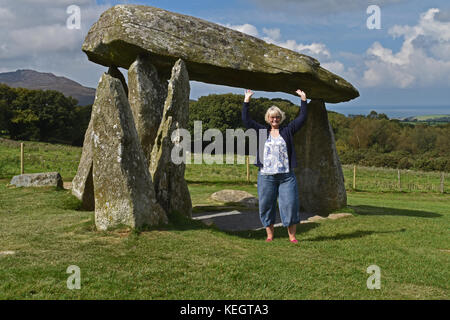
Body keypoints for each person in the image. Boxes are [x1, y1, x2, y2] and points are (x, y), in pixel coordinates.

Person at [242, 89, 308, 243]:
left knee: (290, 204)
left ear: (281, 118)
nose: (275, 119)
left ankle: (292, 237)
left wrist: (303, 99)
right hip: (266, 176)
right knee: (266, 205)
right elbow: (246, 120)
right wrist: (246, 100)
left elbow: (302, 118)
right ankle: (269, 235)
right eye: (272, 117)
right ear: (268, 118)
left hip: (286, 176)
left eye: (277, 117)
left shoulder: (288, 131)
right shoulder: (261, 131)